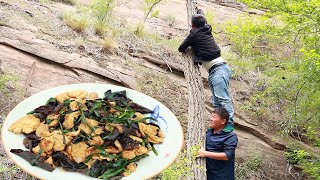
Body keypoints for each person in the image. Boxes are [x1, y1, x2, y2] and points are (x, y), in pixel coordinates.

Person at [178, 6, 234, 132]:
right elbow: (203, 17)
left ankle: (229, 124)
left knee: (222, 100)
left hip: (219, 70)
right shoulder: (207, 27)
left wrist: (191, 41)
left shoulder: (194, 34)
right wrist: (199, 12)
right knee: (216, 101)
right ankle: (218, 126)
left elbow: (181, 48)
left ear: (192, 26)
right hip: (217, 70)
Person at [197, 107, 238, 180]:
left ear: (223, 121)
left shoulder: (230, 136)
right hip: (207, 175)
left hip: (222, 177)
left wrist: (205, 153)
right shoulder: (208, 132)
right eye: (211, 116)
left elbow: (227, 155)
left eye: (214, 117)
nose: (211, 119)